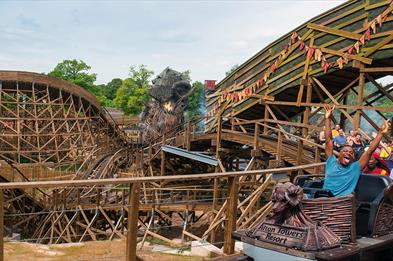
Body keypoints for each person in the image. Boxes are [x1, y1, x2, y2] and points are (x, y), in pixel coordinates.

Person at [322, 104, 390, 197]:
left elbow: (369, 151)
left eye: (351, 153)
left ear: (353, 157)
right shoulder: (331, 162)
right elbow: (328, 141)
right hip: (322, 199)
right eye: (345, 151)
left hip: (339, 204)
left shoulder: (355, 167)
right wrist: (328, 118)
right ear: (339, 154)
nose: (348, 153)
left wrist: (380, 133)